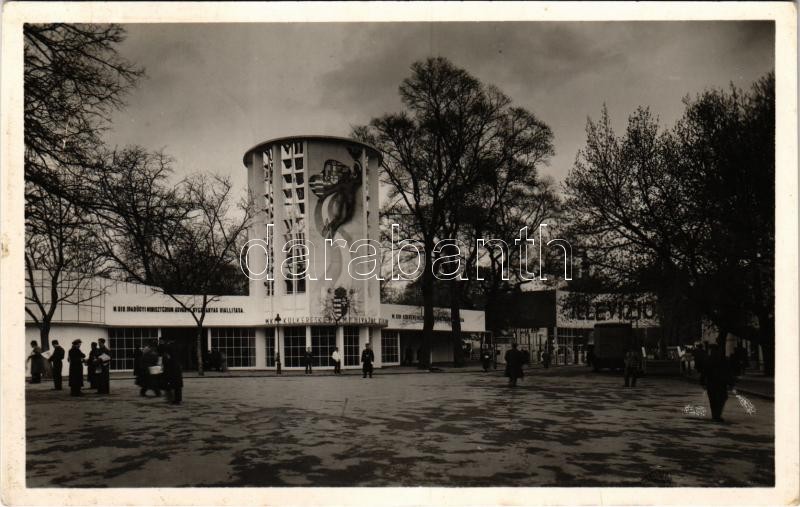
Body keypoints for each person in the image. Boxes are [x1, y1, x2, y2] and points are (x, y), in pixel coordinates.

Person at [705, 344, 733, 422]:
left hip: (712, 383)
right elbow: (728, 372)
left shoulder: (709, 359)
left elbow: (705, 372)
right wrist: (730, 383)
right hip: (720, 383)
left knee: (714, 399)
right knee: (720, 399)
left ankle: (715, 415)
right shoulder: (723, 360)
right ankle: (717, 415)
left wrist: (703, 382)